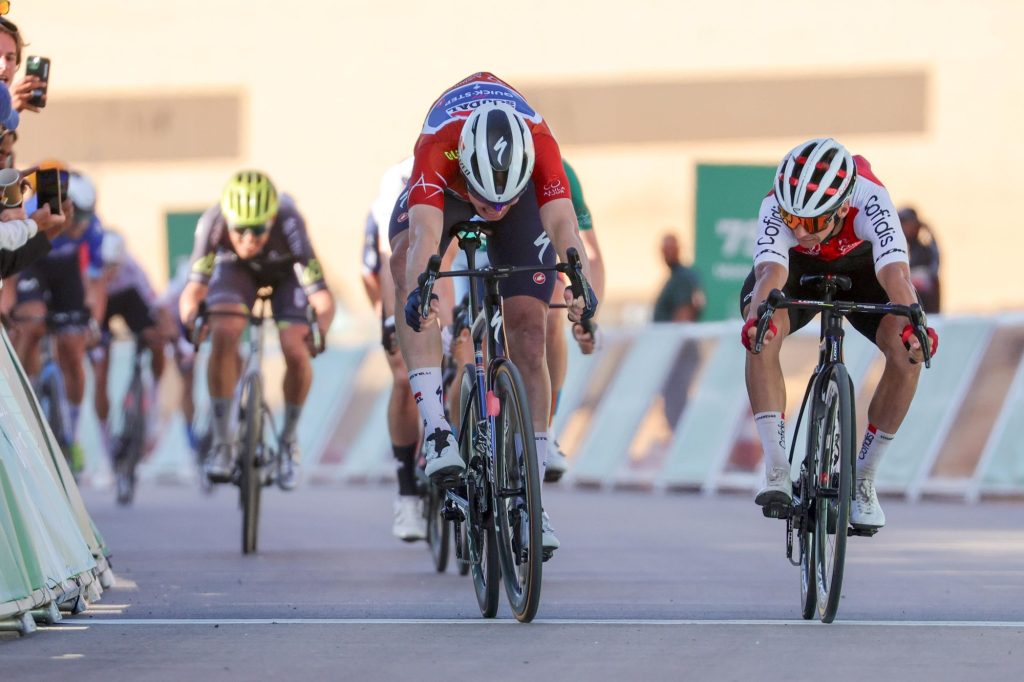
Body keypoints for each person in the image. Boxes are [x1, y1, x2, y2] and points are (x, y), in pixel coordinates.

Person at [390, 72, 598, 554]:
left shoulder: (541, 145)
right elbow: (424, 236)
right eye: (488, 200)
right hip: (449, 195)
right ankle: (439, 430)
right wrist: (421, 291)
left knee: (530, 330)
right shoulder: (439, 146)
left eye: (501, 201)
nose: (494, 209)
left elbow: (565, 226)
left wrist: (582, 285)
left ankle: (534, 500)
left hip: (523, 187)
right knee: (408, 268)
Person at [741, 137, 938, 530]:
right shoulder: (778, 208)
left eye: (812, 223)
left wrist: (917, 328)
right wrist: (755, 317)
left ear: (843, 207)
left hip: (864, 269)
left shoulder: (871, 198)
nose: (800, 231)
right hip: (795, 272)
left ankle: (863, 478)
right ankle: (777, 466)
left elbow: (895, 274)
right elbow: (770, 274)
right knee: (762, 332)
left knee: (907, 355)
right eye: (791, 220)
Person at [179, 170, 335, 490]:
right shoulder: (214, 221)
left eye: (259, 230)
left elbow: (321, 297)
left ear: (272, 218)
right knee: (224, 330)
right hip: (234, 271)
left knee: (295, 345)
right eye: (241, 230)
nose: (249, 239)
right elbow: (192, 292)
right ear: (228, 220)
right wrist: (191, 318)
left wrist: (320, 327)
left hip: (285, 276)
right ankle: (223, 442)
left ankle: (289, 440)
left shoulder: (290, 221)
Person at [7, 169, 106, 471]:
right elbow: (10, 264)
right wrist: (9, 308)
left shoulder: (92, 230)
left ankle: (71, 433)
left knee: (73, 348)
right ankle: (22, 398)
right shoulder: (37, 210)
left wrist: (94, 324)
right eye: (79, 216)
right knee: (32, 324)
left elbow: (96, 285)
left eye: (88, 217)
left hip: (66, 275)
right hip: (32, 263)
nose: (83, 224)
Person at [361, 157, 429, 541]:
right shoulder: (397, 184)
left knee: (467, 349)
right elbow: (391, 266)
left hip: (444, 255)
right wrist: (389, 318)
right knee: (403, 376)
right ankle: (406, 492)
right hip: (395, 259)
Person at [542, 159, 604, 480]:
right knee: (463, 332)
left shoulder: (557, 168)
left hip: (527, 248)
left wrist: (588, 315)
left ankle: (546, 428)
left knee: (551, 309)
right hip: (472, 242)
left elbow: (590, 254)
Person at [90, 230, 168, 457]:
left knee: (156, 338)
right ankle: (106, 444)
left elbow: (153, 302)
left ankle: (153, 396)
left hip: (127, 300)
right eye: (106, 266)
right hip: (98, 304)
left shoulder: (132, 268)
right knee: (100, 372)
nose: (110, 272)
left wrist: (161, 330)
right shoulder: (91, 268)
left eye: (114, 267)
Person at [898, 207, 941, 314]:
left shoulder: (923, 249)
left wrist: (928, 230)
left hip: (924, 302)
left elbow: (935, 265)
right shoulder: (898, 247)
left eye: (906, 224)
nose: (904, 228)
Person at [653, 233, 704, 323]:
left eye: (670, 249)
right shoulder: (674, 277)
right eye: (664, 250)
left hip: (672, 335)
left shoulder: (683, 277)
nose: (666, 254)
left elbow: (684, 315)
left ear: (678, 249)